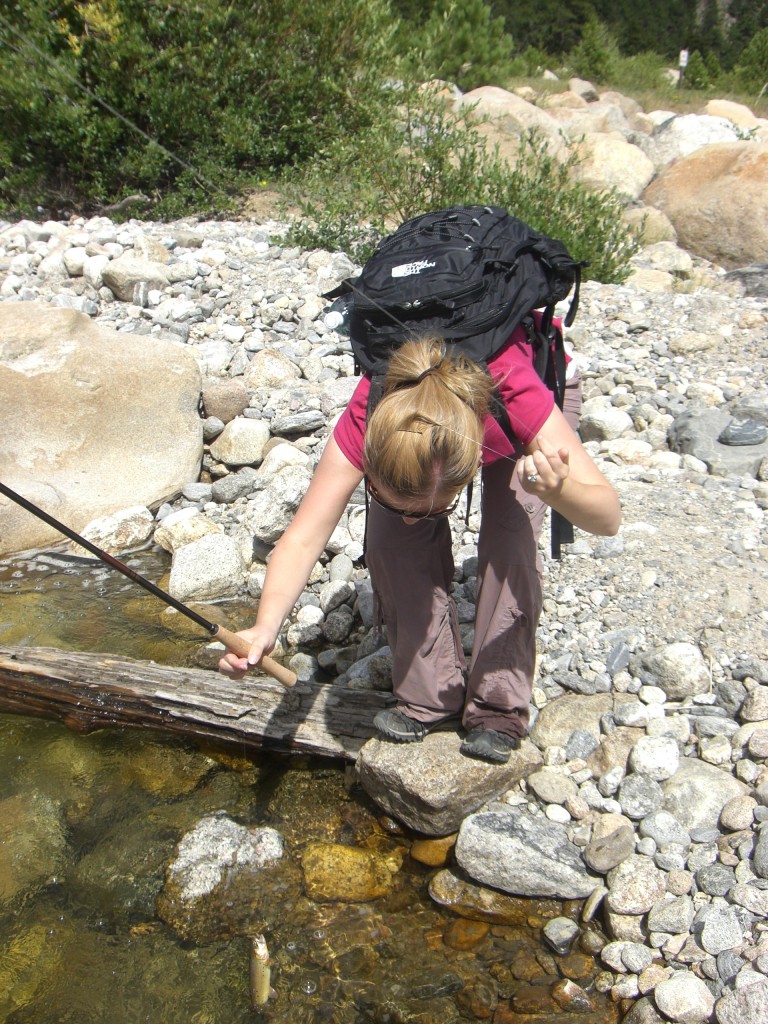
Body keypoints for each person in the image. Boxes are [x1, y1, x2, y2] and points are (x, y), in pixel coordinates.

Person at [218, 323, 621, 764]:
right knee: (392, 544)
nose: (415, 517)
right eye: (390, 497)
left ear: (467, 470)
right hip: (423, 416)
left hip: (525, 388)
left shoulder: (518, 395)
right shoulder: (369, 412)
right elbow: (303, 538)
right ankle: (430, 698)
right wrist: (265, 627)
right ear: (372, 461)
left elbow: (607, 517)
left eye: (434, 509)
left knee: (511, 547)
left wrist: (558, 489)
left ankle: (498, 709)